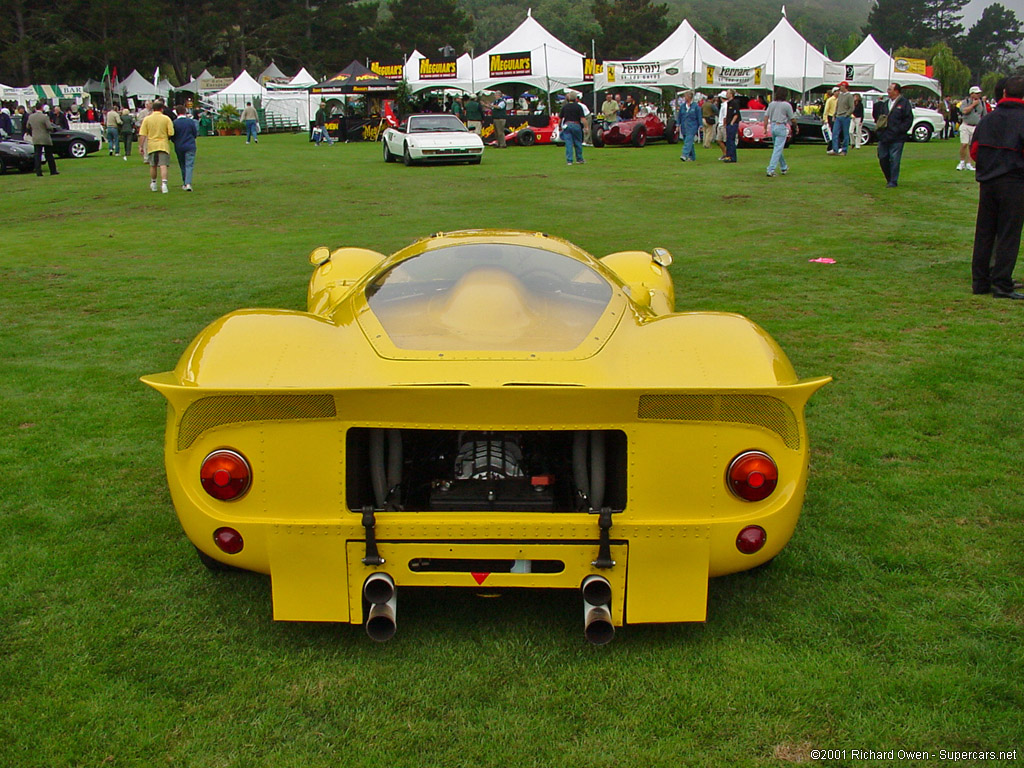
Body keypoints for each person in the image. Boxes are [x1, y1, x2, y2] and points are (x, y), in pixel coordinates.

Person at [970, 76, 1024, 299]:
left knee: (985, 232)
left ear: (1003, 94)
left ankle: (980, 281)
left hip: (988, 181)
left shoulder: (988, 119)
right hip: (1014, 181)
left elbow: (974, 150)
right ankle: (1001, 283)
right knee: (1008, 234)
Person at [876, 83, 913, 188]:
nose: (888, 91)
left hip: (897, 137)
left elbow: (908, 119)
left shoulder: (904, 103)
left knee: (894, 159)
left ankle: (893, 181)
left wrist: (900, 130)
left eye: (890, 89)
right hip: (884, 136)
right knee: (883, 157)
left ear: (896, 91)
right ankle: (888, 178)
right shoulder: (885, 104)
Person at [139, 99, 175, 193]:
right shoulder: (166, 119)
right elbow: (171, 132)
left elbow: (143, 134)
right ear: (161, 109)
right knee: (163, 165)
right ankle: (164, 184)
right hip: (163, 144)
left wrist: (140, 146)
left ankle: (154, 183)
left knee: (153, 165)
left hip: (152, 144)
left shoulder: (147, 119)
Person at [763, 87, 798, 177]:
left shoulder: (771, 104)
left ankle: (784, 166)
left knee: (777, 148)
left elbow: (766, 116)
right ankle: (771, 169)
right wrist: (796, 127)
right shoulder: (786, 105)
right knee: (778, 149)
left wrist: (765, 127)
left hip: (773, 126)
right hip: (781, 126)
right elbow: (792, 118)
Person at [26, 103, 59, 177]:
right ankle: (53, 170)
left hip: (36, 137)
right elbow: (49, 127)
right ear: (41, 108)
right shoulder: (44, 117)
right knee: (49, 155)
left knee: (37, 155)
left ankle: (38, 172)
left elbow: (28, 126)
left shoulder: (31, 116)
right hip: (45, 137)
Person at [958, 86, 985, 171]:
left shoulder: (982, 103)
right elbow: (964, 111)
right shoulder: (965, 102)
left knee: (972, 146)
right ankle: (962, 162)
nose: (978, 95)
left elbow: (984, 115)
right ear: (971, 94)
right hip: (966, 125)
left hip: (976, 126)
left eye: (979, 93)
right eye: (976, 93)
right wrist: (973, 105)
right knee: (964, 144)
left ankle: (969, 163)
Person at [172, 104, 198, 192]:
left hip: (179, 145)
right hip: (190, 145)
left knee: (182, 165)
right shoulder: (190, 122)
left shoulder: (174, 123)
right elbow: (195, 133)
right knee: (189, 165)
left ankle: (185, 182)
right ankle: (188, 183)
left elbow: (172, 135)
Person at [559, 91, 585, 165]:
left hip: (567, 125)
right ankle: (579, 159)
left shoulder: (565, 107)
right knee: (578, 142)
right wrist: (586, 127)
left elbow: (560, 118)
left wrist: (559, 127)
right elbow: (582, 118)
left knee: (568, 143)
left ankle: (569, 160)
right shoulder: (578, 107)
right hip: (576, 125)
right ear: (576, 98)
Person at [677, 90, 701, 162]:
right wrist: (678, 125)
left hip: (692, 126)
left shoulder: (696, 106)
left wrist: (700, 125)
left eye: (686, 96)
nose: (684, 98)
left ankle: (684, 154)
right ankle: (692, 156)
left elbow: (699, 116)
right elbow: (679, 116)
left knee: (688, 140)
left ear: (690, 97)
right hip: (684, 126)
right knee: (688, 141)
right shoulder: (682, 106)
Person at [830, 81, 854, 155]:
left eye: (841, 86)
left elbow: (852, 107)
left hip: (845, 117)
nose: (840, 87)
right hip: (838, 116)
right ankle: (835, 149)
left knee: (845, 134)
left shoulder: (849, 96)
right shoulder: (840, 95)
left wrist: (847, 114)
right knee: (835, 133)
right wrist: (834, 115)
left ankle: (844, 150)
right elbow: (837, 106)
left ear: (844, 86)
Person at [724, 89, 742, 163]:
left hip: (732, 124)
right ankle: (728, 156)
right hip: (728, 123)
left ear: (731, 94)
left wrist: (732, 123)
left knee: (731, 140)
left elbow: (736, 114)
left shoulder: (734, 103)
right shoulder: (728, 103)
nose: (726, 94)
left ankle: (733, 157)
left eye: (728, 93)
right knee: (728, 141)